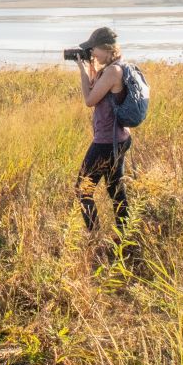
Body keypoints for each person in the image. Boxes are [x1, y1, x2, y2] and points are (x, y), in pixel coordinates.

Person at [71, 26, 147, 232]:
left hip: (106, 142)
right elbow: (99, 91)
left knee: (82, 191)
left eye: (93, 49)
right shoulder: (117, 67)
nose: (91, 53)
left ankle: (95, 238)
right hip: (119, 138)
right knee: (116, 191)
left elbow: (90, 99)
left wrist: (82, 71)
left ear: (106, 48)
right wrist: (92, 68)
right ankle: (125, 237)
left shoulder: (113, 71)